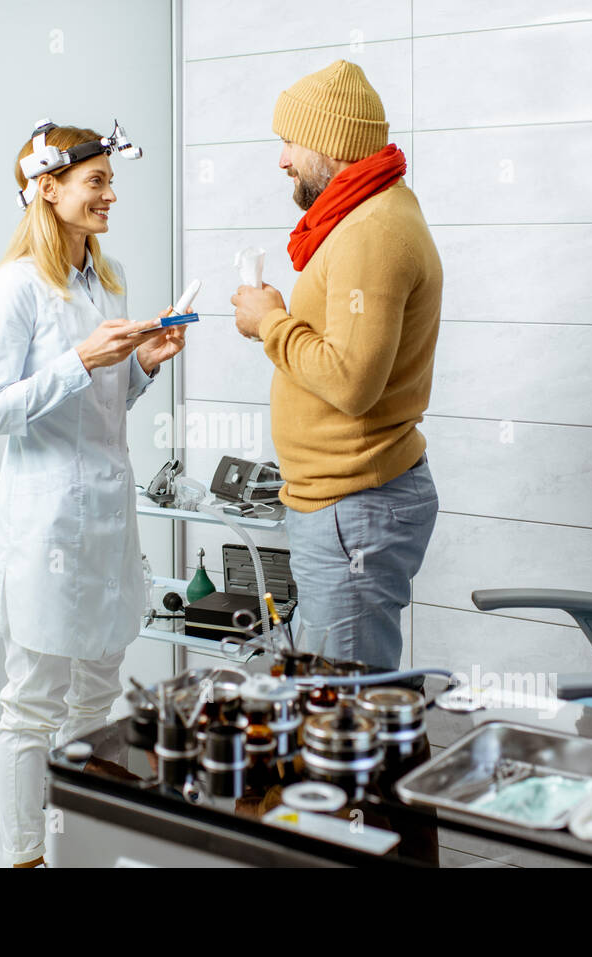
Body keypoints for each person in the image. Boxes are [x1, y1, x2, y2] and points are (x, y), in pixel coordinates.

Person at [0, 122, 185, 868]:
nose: (110, 195)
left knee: (96, 697)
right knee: (30, 705)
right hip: (47, 523)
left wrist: (144, 366)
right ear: (48, 188)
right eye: (96, 182)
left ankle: (80, 849)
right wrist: (78, 359)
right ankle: (27, 857)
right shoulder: (12, 289)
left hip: (107, 517)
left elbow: (104, 405)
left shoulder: (108, 276)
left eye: (109, 181)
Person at [230, 60, 442, 672]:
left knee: (348, 711)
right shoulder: (368, 215)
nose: (282, 160)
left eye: (289, 142)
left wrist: (269, 321)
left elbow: (351, 383)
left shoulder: (370, 230)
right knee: (342, 696)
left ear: (329, 143)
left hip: (356, 505)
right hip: (348, 502)